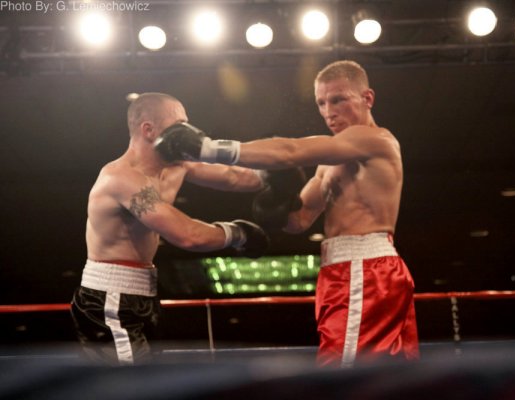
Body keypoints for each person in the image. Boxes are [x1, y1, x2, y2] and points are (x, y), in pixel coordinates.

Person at [154, 60, 420, 367]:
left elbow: (290, 151)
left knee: (343, 374)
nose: (329, 112)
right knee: (385, 374)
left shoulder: (375, 139)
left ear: (367, 98)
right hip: (346, 270)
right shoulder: (330, 162)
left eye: (338, 100)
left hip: (364, 269)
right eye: (321, 103)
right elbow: (300, 220)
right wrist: (278, 204)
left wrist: (208, 148)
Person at [71, 92, 269, 366]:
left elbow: (234, 177)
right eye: (179, 124)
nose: (188, 132)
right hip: (109, 298)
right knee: (131, 386)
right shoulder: (120, 178)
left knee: (151, 381)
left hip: (144, 292)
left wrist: (275, 174)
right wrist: (238, 234)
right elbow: (188, 235)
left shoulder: (177, 165)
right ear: (148, 130)